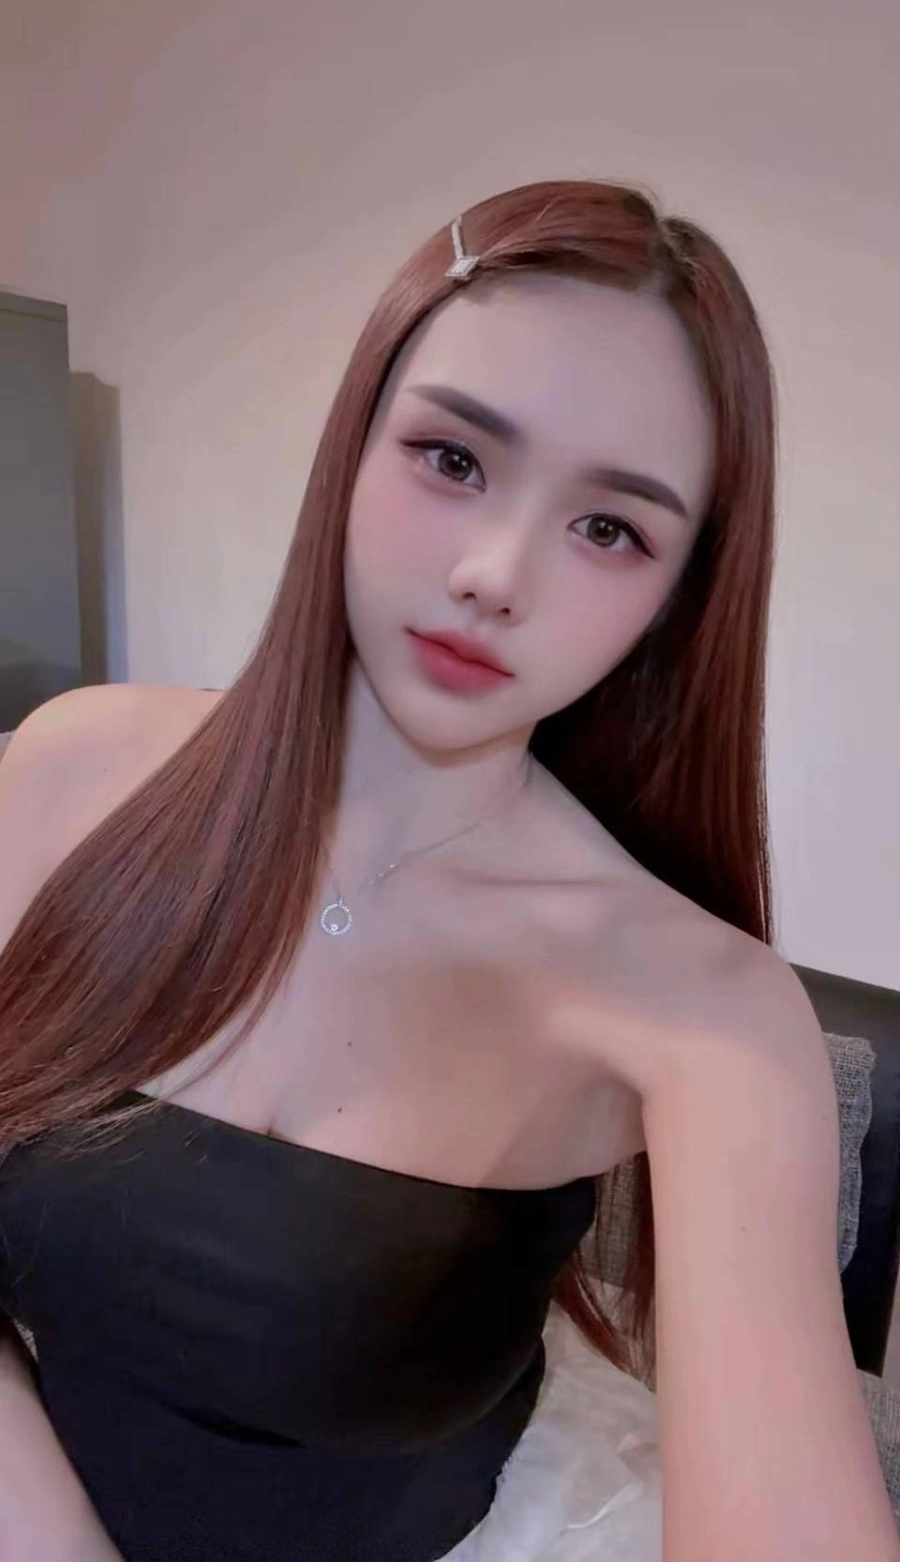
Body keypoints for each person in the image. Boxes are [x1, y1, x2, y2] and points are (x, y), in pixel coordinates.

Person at [0, 179, 896, 1562]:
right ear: (354, 441)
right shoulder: (77, 768)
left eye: (611, 529)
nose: (495, 573)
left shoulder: (706, 1012)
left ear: (677, 595)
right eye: (453, 458)